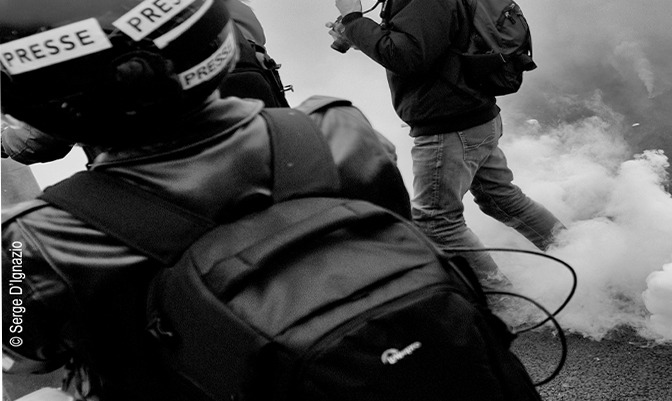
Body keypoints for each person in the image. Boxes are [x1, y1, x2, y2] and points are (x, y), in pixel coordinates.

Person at [0, 0, 409, 399]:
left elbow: (21, 354)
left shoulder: (34, 238)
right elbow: (395, 227)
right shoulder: (337, 128)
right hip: (381, 363)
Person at [330, 0, 565, 289]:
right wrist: (360, 34)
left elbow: (407, 57)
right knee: (502, 199)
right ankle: (581, 257)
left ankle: (506, 306)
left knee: (437, 223)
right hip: (472, 115)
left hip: (450, 126)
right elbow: (423, 43)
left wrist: (354, 19)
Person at [0, 0, 288, 165]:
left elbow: (43, 138)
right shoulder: (319, 126)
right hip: (272, 142)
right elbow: (248, 35)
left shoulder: (64, 20)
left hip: (166, 182)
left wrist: (3, 141)